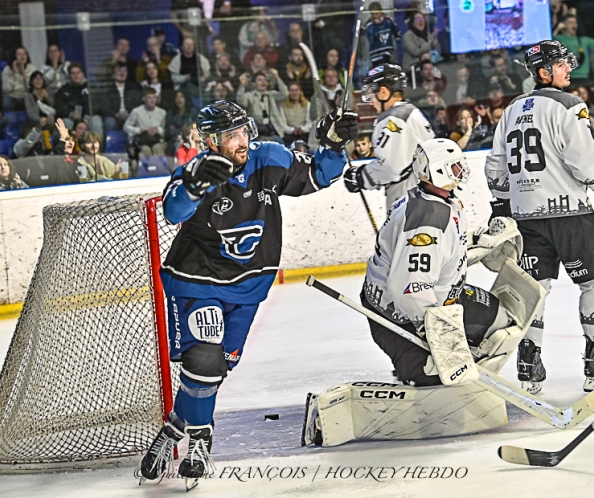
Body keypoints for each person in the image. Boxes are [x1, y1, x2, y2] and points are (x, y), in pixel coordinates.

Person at [136, 100, 357, 489]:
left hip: (249, 286)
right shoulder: (198, 171)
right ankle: (201, 439)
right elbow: (173, 210)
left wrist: (334, 145)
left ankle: (175, 427)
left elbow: (320, 174)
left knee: (216, 369)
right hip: (198, 281)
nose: (241, 141)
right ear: (211, 141)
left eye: (243, 132)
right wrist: (193, 185)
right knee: (203, 359)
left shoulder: (268, 158)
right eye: (231, 135)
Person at [302, 138, 528, 448]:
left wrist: (480, 244)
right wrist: (438, 337)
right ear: (435, 172)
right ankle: (426, 376)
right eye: (454, 168)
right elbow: (410, 288)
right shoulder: (427, 223)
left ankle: (461, 373)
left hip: (434, 302)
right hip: (398, 320)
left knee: (502, 321)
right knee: (434, 377)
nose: (461, 173)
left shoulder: (435, 200)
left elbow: (440, 261)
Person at [484, 39, 594, 394]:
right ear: (544, 72)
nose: (569, 69)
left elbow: (495, 167)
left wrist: (502, 203)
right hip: (569, 213)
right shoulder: (569, 105)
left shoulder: (510, 110)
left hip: (526, 217)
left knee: (536, 289)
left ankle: (529, 362)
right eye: (562, 64)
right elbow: (583, 164)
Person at [344, 64, 435, 214]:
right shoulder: (411, 112)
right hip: (425, 198)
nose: (370, 101)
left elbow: (391, 167)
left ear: (384, 92)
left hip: (411, 203)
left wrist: (361, 177)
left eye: (372, 94)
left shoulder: (393, 118)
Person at [236, 70, 288, 142]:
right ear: (254, 84)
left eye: (265, 80)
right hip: (257, 130)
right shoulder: (249, 96)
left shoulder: (272, 94)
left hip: (272, 129)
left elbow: (285, 94)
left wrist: (277, 77)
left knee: (279, 142)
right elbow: (241, 101)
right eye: (260, 80)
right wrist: (242, 84)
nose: (263, 82)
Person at [124, 87, 168, 157]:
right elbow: (126, 127)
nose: (152, 100)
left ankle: (159, 167)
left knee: (157, 148)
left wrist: (157, 129)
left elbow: (166, 130)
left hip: (158, 140)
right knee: (145, 149)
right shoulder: (136, 111)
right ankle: (147, 167)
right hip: (142, 141)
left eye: (154, 97)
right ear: (144, 99)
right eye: (149, 98)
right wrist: (139, 130)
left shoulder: (162, 112)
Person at [98, 63, 142, 133]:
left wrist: (130, 113)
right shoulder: (106, 88)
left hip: (130, 115)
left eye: (124, 71)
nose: (122, 73)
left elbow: (138, 104)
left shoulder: (133, 87)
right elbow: (104, 107)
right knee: (110, 122)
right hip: (113, 117)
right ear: (113, 74)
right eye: (119, 70)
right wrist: (116, 114)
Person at [1, 47, 37, 112]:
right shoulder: (7, 70)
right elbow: (6, 90)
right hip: (12, 96)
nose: (22, 56)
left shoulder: (32, 69)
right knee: (6, 101)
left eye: (24, 54)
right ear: (14, 57)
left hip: (25, 96)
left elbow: (30, 88)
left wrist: (23, 73)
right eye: (19, 54)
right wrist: (14, 73)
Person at [280, 82, 313, 146]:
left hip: (304, 133)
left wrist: (302, 129)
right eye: (292, 91)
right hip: (289, 134)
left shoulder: (308, 104)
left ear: (300, 92)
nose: (294, 93)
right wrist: (292, 130)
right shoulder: (283, 106)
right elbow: (282, 124)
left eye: (296, 90)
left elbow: (310, 122)